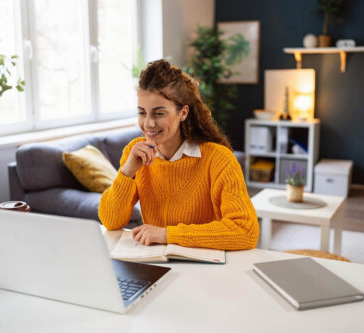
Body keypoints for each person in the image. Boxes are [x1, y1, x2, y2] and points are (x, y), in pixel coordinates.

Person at [98, 59, 259, 250]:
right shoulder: (135, 153)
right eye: (142, 112)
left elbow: (245, 231)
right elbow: (110, 221)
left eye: (159, 113)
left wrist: (168, 234)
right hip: (156, 264)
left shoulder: (218, 158)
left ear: (183, 113)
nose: (148, 124)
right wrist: (128, 171)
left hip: (205, 267)